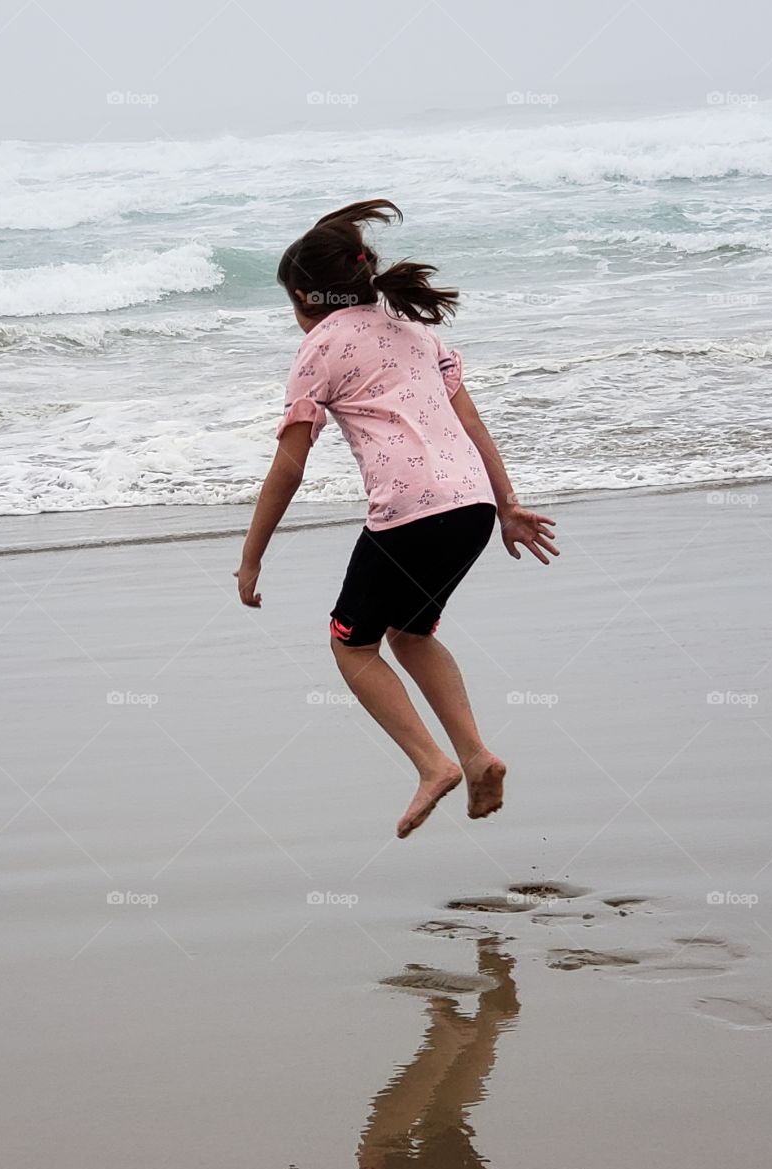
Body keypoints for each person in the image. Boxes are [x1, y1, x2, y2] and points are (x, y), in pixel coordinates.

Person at [235, 200, 557, 838]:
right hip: (471, 507)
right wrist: (508, 505)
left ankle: (433, 765)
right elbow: (471, 422)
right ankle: (475, 756)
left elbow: (289, 468)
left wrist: (252, 556)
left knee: (351, 643)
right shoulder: (417, 333)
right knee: (410, 635)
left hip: (408, 513)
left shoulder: (319, 348)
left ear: (303, 296)